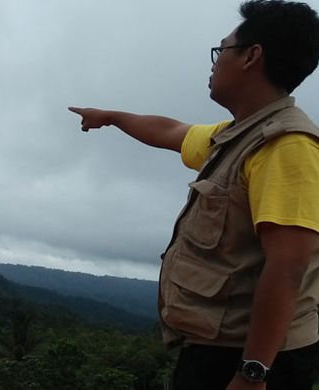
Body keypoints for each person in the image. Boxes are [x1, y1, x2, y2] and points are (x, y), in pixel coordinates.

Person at [69, 1, 319, 389]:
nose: (214, 63)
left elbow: (288, 269)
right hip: (219, 346)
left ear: (252, 56)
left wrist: (252, 373)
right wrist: (112, 117)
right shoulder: (239, 135)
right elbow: (171, 131)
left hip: (253, 359)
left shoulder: (286, 147)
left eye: (222, 51)